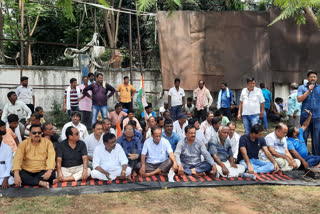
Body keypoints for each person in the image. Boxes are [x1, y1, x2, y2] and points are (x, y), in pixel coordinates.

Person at [297, 71, 320, 155]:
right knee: (304, 136)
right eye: (311, 77)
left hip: (317, 117)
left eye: (314, 77)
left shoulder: (319, 88)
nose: (313, 78)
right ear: (308, 78)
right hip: (305, 117)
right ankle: (303, 155)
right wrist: (309, 90)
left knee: (316, 138)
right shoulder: (302, 88)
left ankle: (316, 156)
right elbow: (299, 99)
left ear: (317, 78)